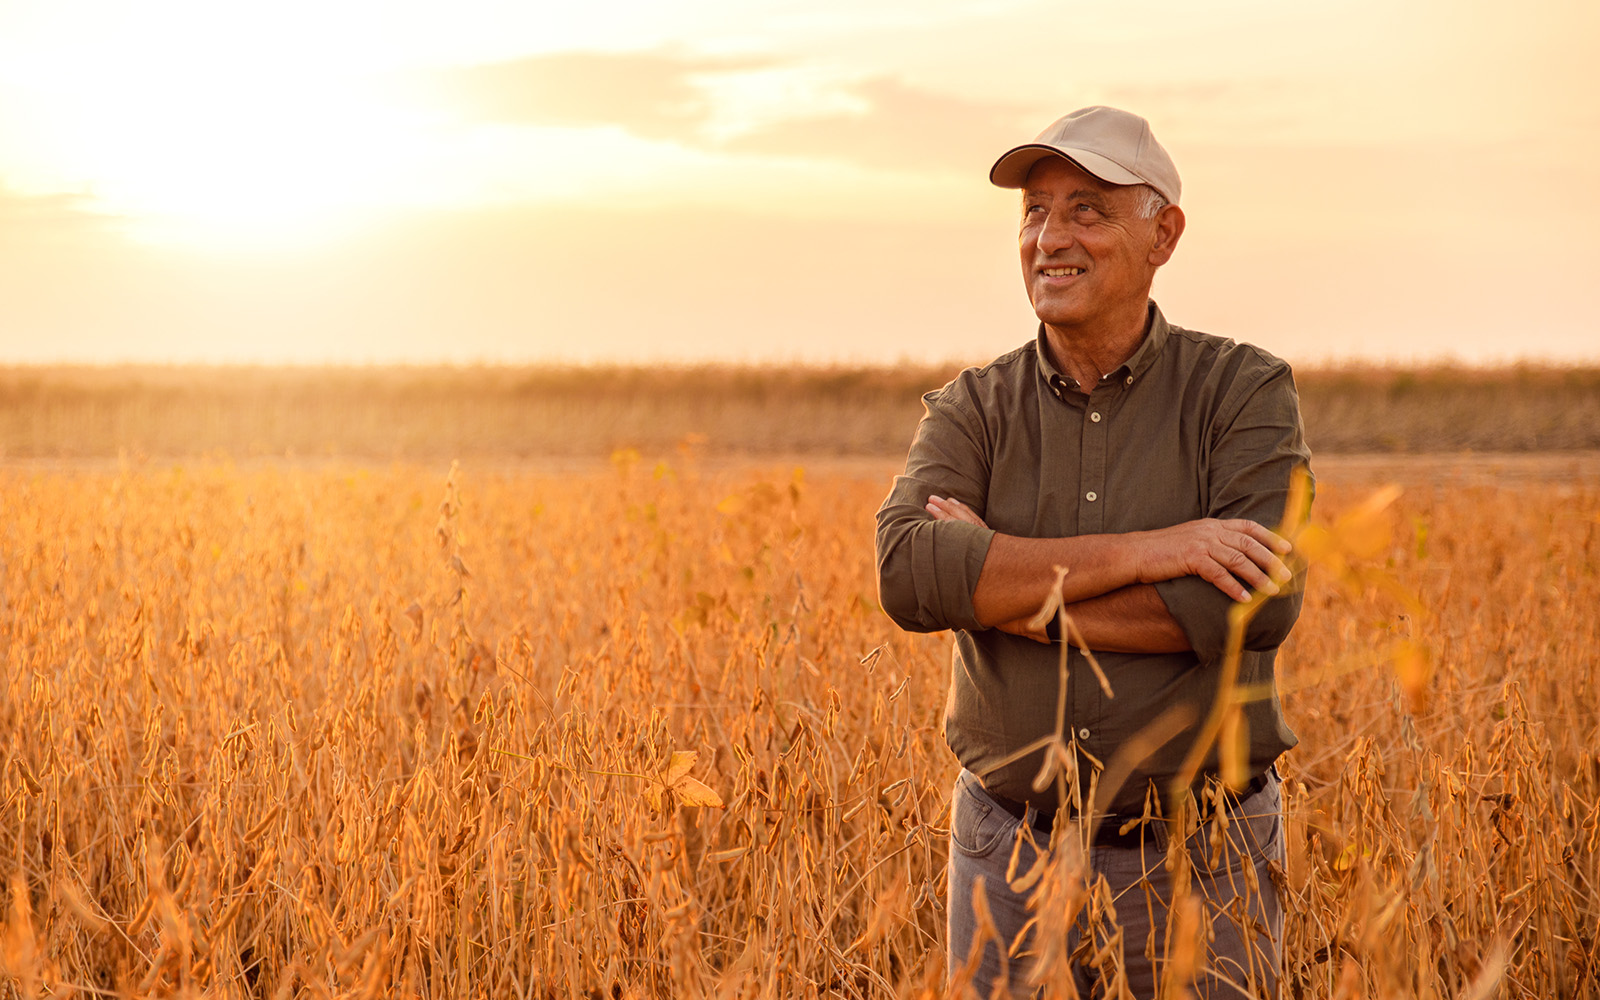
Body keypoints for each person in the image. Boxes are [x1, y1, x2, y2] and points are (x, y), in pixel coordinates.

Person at [874, 106, 1312, 998]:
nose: (1049, 238)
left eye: (1087, 209)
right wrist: (1161, 549)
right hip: (1010, 854)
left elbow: (1250, 608)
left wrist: (1002, 584)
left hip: (1203, 859)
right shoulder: (973, 407)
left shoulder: (1242, 392)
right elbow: (909, 573)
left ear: (1164, 234)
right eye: (1034, 212)